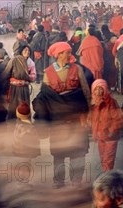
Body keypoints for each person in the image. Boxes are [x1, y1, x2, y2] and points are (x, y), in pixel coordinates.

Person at [32, 41, 91, 188]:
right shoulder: (48, 72)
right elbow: (44, 96)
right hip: (58, 120)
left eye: (70, 52)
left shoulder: (77, 69)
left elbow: (86, 92)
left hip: (76, 119)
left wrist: (89, 113)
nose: (70, 55)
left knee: (78, 151)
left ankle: (76, 181)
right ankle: (59, 182)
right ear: (59, 55)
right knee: (59, 152)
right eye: (67, 52)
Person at [89, 79, 123, 171]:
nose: (98, 91)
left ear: (105, 89)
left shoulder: (111, 103)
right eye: (96, 89)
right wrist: (95, 132)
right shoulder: (94, 104)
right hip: (100, 137)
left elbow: (118, 119)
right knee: (103, 159)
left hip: (110, 137)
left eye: (101, 89)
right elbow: (94, 120)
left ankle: (107, 178)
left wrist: (111, 131)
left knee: (108, 160)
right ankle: (106, 177)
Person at [1, 43, 36, 119]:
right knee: (14, 107)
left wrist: (25, 80)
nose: (28, 52)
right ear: (21, 51)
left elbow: (33, 77)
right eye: (25, 50)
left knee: (24, 107)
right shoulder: (14, 60)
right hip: (14, 89)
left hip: (24, 89)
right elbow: (6, 73)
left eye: (29, 50)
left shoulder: (31, 63)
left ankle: (24, 124)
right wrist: (13, 81)